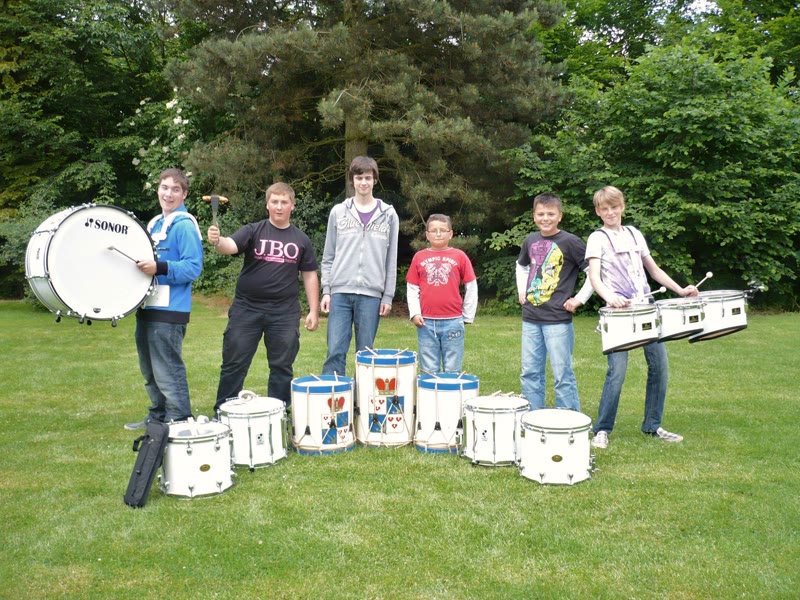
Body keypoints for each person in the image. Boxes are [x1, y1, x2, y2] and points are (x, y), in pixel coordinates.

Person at [586, 185, 697, 449]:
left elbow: (654, 270)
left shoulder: (635, 234)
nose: (610, 212)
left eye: (614, 207)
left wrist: (681, 290)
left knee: (660, 367)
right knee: (617, 372)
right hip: (618, 314)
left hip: (647, 308)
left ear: (622, 207)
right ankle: (602, 430)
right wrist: (610, 297)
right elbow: (594, 277)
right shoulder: (596, 238)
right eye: (605, 208)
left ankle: (653, 425)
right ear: (598, 212)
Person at [207, 182, 320, 412]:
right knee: (234, 363)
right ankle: (224, 412)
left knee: (282, 367)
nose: (279, 206)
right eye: (274, 201)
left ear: (292, 206)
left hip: (284, 313)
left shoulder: (301, 239)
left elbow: (310, 275)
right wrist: (218, 240)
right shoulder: (253, 230)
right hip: (246, 309)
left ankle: (279, 414)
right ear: (267, 204)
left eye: (284, 202)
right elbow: (230, 246)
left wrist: (314, 310)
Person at [125, 168, 204, 429]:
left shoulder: (184, 226)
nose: (168, 194)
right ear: (158, 189)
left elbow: (193, 267)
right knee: (149, 369)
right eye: (164, 188)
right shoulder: (154, 224)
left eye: (175, 189)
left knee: (167, 368)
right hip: (148, 307)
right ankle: (158, 415)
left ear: (184, 195)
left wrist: (158, 267)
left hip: (170, 310)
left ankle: (179, 417)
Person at [320, 156, 399, 376]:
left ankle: (363, 397)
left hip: (371, 295)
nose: (363, 182)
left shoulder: (389, 215)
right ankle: (334, 395)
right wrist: (327, 290)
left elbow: (391, 259)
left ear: (375, 180)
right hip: (340, 293)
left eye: (368, 178)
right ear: (352, 180)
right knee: (335, 351)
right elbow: (328, 256)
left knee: (365, 355)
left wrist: (387, 296)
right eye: (359, 178)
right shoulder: (338, 212)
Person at [516, 193, 593, 412]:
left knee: (562, 375)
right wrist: (522, 290)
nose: (545, 218)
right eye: (541, 214)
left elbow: (594, 273)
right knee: (530, 373)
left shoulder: (571, 242)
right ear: (534, 216)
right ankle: (533, 419)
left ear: (560, 216)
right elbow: (521, 266)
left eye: (551, 214)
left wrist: (579, 299)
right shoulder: (530, 241)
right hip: (531, 318)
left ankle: (569, 420)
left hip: (558, 320)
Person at [406, 214, 478, 373]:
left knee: (453, 368)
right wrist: (415, 313)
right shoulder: (419, 257)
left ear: (450, 234)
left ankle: (451, 390)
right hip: (425, 322)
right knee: (428, 368)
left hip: (453, 320)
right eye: (434, 230)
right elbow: (412, 287)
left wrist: (467, 315)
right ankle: (430, 390)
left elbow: (471, 286)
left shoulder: (460, 256)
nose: (438, 234)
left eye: (443, 230)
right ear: (427, 235)